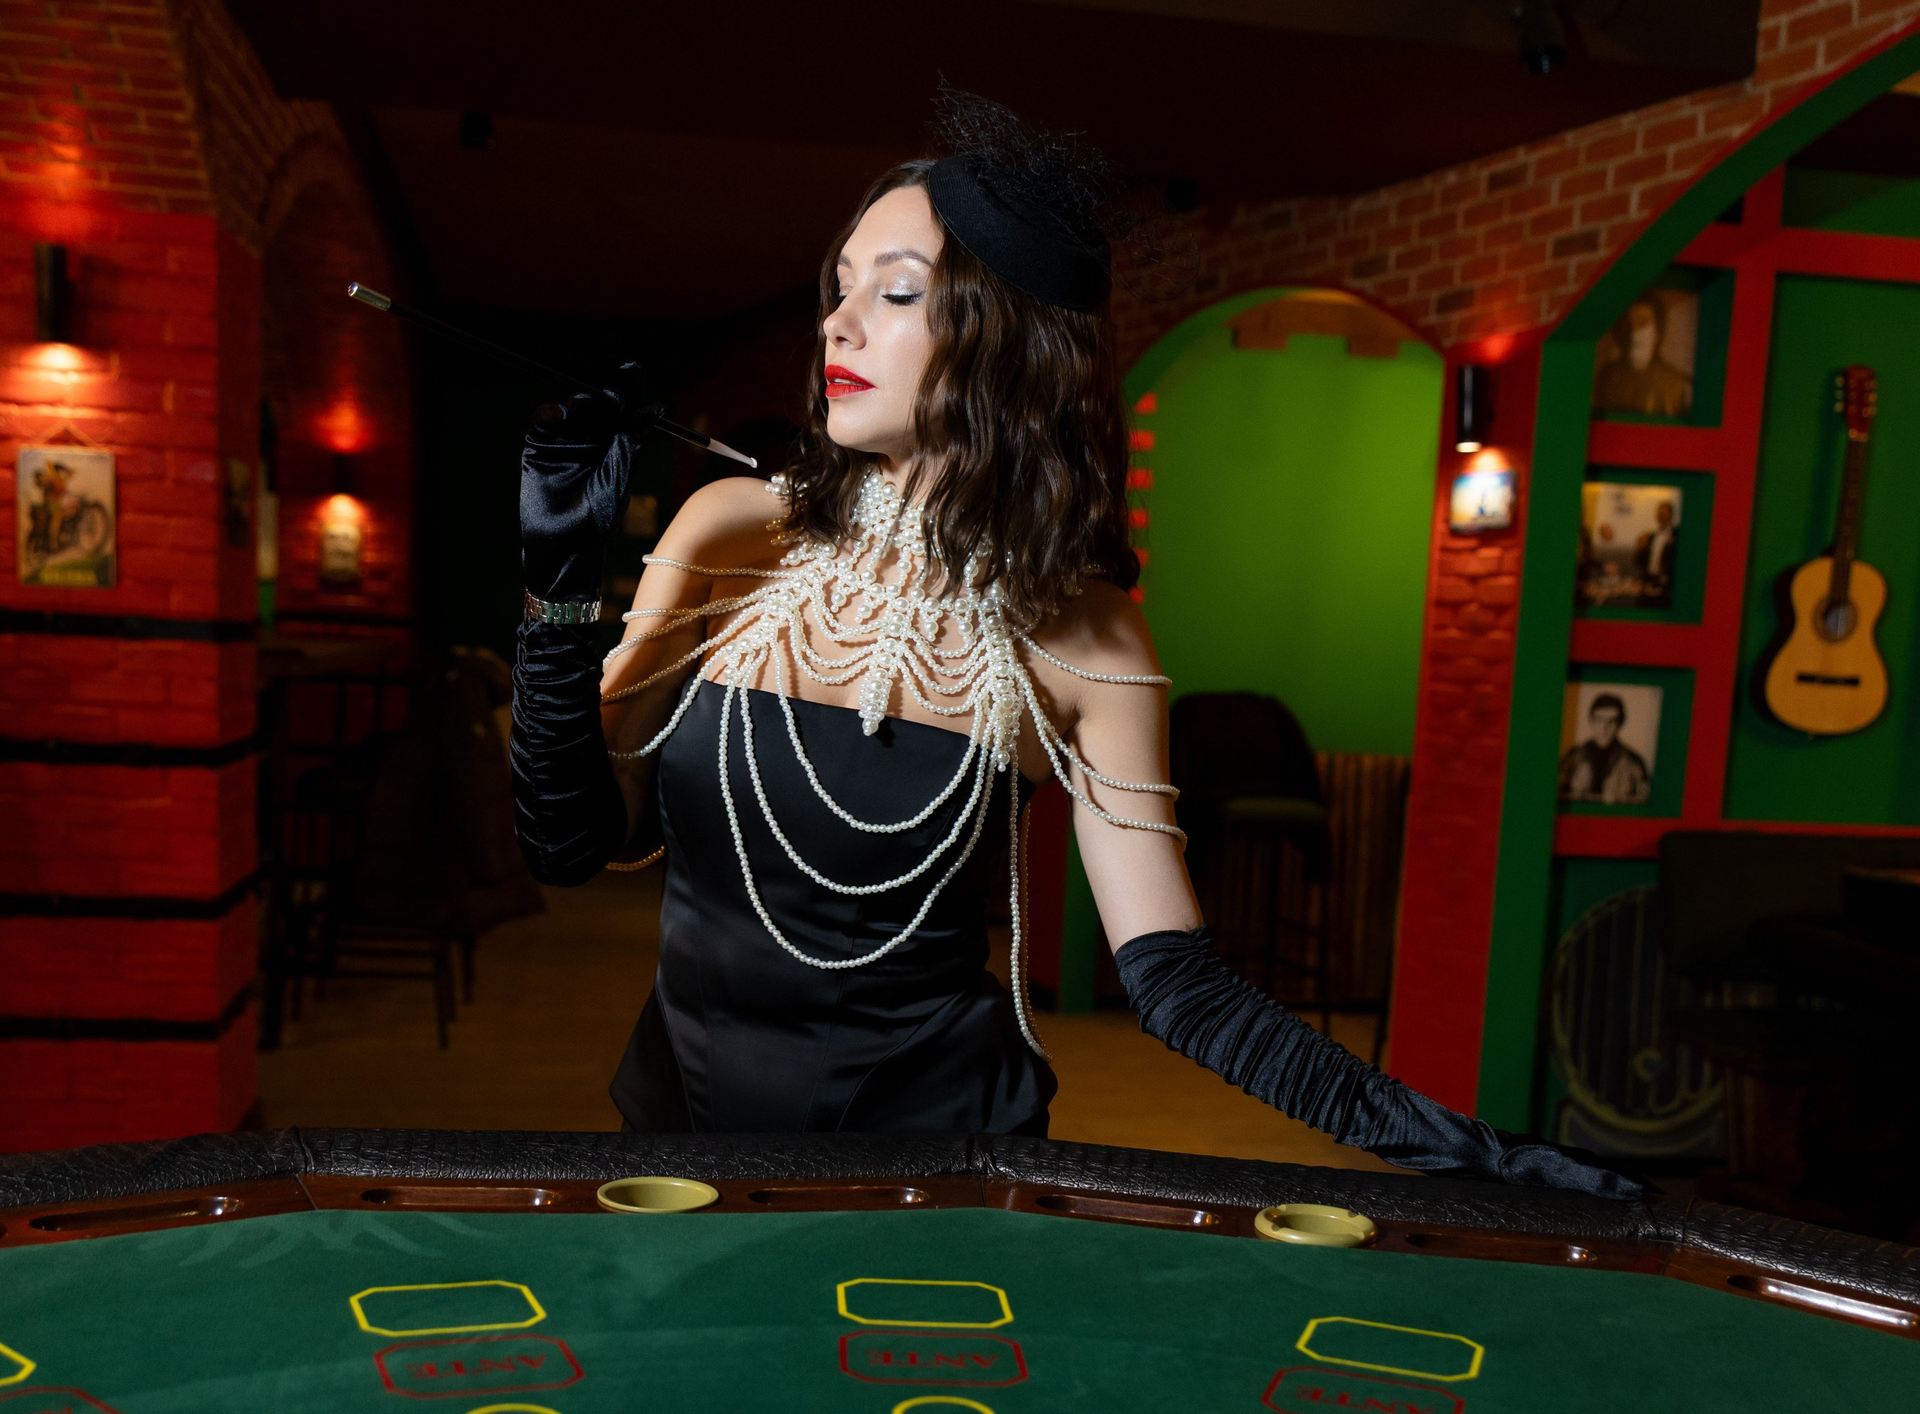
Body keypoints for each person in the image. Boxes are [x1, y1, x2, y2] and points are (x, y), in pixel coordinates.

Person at [512, 96, 1632, 1195]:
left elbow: (1179, 987)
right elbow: (568, 841)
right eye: (838, 287)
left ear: (1005, 341)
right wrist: (555, 597)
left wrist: (1469, 1153)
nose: (839, 324)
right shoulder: (731, 535)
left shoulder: (1086, 635)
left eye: (895, 291)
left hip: (931, 1177)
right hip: (678, 1135)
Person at [1593, 297, 1691, 419]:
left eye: (1643, 323)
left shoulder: (1675, 386)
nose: (1634, 332)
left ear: (1657, 332)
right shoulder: (1606, 378)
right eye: (1628, 324)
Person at [1558, 694, 1650, 805]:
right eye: (1599, 720)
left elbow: (1644, 802)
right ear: (1591, 721)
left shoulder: (1634, 763)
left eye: (1611, 721)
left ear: (1620, 724)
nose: (1604, 727)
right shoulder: (1573, 757)